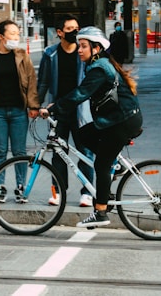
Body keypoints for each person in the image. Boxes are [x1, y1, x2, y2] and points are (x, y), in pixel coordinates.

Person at [40, 26, 143, 227]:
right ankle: (115, 165)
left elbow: (81, 93)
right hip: (118, 118)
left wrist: (54, 109)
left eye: (84, 46)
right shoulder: (100, 64)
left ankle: (101, 212)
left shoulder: (99, 68)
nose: (79, 50)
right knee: (84, 134)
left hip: (122, 121)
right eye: (79, 46)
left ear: (96, 48)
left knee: (101, 164)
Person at [0, 20, 39, 203]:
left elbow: (31, 82)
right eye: (12, 33)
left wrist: (33, 106)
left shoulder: (22, 56)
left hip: (19, 111)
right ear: (2, 37)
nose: (16, 37)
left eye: (18, 34)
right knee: (0, 151)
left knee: (19, 151)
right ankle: (0, 187)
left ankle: (21, 187)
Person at [37, 14, 94, 207]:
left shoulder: (84, 53)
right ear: (59, 32)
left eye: (77, 28)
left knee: (85, 152)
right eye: (70, 29)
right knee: (58, 153)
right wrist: (38, 106)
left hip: (81, 111)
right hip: (58, 111)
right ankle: (59, 191)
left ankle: (87, 192)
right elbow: (43, 82)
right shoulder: (50, 54)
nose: (75, 33)